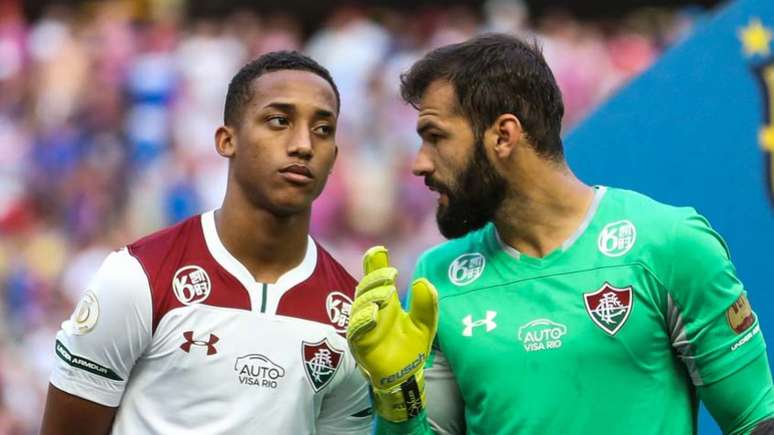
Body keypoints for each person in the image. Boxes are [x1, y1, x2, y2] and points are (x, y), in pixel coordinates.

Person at [346, 33, 774, 434]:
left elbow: (756, 420)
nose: (419, 164)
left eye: (435, 137)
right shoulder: (436, 280)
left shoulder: (669, 245)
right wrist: (396, 393)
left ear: (504, 135)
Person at [41, 51, 372, 435]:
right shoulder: (139, 277)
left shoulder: (351, 310)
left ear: (334, 157)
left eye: (322, 129)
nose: (302, 144)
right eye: (279, 121)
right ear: (227, 140)